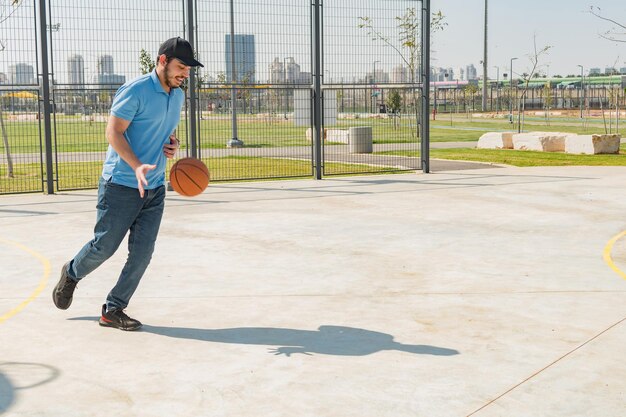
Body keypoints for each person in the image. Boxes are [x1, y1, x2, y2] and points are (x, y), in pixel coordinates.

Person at [52, 37, 203, 331]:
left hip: (155, 186)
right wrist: (136, 166)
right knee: (104, 247)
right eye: (180, 66)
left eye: (187, 69)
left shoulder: (178, 95)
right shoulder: (136, 90)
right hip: (121, 184)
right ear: (162, 61)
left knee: (143, 253)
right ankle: (71, 272)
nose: (185, 73)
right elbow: (114, 132)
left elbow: (164, 131)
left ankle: (113, 308)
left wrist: (172, 145)